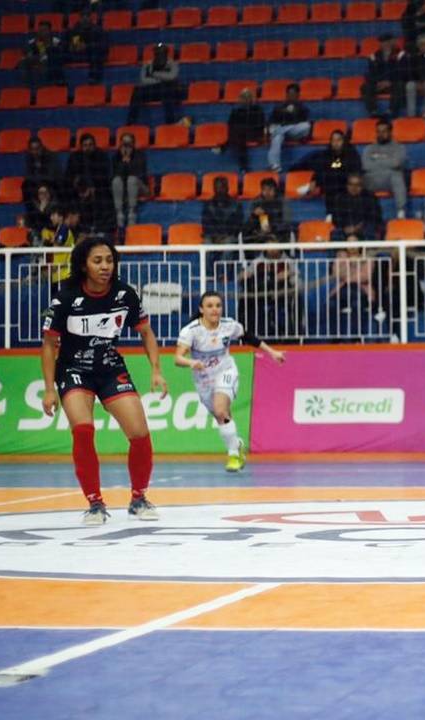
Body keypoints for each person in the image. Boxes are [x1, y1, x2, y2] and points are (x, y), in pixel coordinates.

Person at [41, 236, 167, 525]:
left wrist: (156, 370)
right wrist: (49, 389)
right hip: (74, 370)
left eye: (109, 260)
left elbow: (146, 332)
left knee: (139, 433)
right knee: (83, 430)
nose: (105, 266)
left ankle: (138, 499)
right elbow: (49, 345)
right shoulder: (66, 298)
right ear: (84, 265)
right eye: (97, 261)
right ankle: (95, 504)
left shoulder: (126, 295)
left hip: (110, 367)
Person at [175, 291, 285, 472]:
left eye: (218, 305)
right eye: (210, 306)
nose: (215, 309)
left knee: (220, 408)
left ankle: (233, 455)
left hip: (226, 371)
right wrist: (192, 362)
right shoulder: (191, 331)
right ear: (201, 309)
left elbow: (249, 337)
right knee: (221, 415)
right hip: (204, 381)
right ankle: (236, 444)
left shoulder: (229, 325)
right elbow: (178, 358)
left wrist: (272, 352)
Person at [361, 119, 409, 219]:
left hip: (389, 179)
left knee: (397, 176)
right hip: (372, 179)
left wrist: (377, 162)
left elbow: (396, 163)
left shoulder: (399, 148)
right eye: (378, 131)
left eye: (384, 131)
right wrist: (387, 162)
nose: (381, 134)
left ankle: (401, 211)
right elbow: (365, 165)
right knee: (356, 180)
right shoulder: (369, 148)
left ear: (390, 132)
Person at [127, 44, 184, 126]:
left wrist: (154, 74)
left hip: (167, 90)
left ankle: (170, 122)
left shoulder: (172, 64)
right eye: (158, 52)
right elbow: (144, 80)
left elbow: (172, 76)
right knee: (137, 91)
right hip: (153, 90)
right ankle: (131, 122)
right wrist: (161, 79)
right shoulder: (148, 64)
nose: (160, 54)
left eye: (162, 52)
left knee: (168, 89)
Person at [267, 84, 311, 173]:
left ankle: (279, 131)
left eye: (293, 94)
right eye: (289, 94)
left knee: (306, 126)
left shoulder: (303, 108)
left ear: (298, 95)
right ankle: (275, 165)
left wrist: (290, 114)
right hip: (281, 135)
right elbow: (271, 121)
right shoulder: (278, 107)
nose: (291, 96)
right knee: (277, 138)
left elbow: (303, 121)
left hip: (295, 133)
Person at [328, 173, 384, 241]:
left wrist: (360, 227)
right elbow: (336, 218)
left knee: (370, 232)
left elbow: (376, 217)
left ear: (362, 186)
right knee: (335, 234)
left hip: (364, 230)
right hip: (345, 230)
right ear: (347, 185)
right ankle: (340, 251)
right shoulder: (339, 198)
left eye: (357, 185)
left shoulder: (370, 198)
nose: (354, 187)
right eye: (351, 184)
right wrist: (345, 228)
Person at [110, 132, 149, 229]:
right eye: (124, 143)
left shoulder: (140, 156)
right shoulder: (116, 157)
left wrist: (129, 162)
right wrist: (123, 161)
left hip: (140, 187)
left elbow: (138, 174)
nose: (127, 146)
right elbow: (115, 174)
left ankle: (132, 212)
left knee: (131, 180)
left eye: (129, 143)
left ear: (133, 144)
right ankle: (119, 213)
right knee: (116, 181)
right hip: (123, 188)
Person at [363, 34, 406, 118]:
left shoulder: (401, 55)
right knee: (366, 87)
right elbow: (371, 73)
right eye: (382, 42)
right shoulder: (374, 56)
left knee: (400, 85)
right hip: (379, 84)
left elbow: (403, 72)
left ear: (392, 42)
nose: (385, 44)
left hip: (394, 83)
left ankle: (391, 110)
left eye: (387, 42)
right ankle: (373, 111)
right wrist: (378, 82)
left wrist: (389, 82)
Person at [222, 88, 265, 172]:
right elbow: (231, 125)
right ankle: (244, 166)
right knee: (238, 134)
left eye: (248, 97)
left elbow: (261, 124)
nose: (246, 99)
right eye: (243, 97)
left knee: (239, 133)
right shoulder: (236, 111)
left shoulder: (258, 110)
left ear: (252, 99)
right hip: (240, 135)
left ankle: (226, 145)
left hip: (254, 134)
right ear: (240, 99)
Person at [66, 8, 106, 84]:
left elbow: (103, 46)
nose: (85, 18)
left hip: (94, 55)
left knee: (95, 53)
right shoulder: (75, 29)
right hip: (80, 55)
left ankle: (93, 79)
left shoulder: (97, 29)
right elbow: (75, 43)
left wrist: (87, 46)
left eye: (87, 16)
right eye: (82, 16)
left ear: (90, 17)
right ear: (80, 18)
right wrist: (74, 46)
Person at [20, 23, 66, 89]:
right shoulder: (33, 41)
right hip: (36, 60)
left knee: (44, 63)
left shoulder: (56, 41)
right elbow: (27, 52)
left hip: (50, 62)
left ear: (50, 31)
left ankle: (43, 86)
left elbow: (59, 53)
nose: (42, 32)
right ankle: (24, 86)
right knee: (23, 62)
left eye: (44, 30)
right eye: (40, 30)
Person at [201, 176, 243, 244]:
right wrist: (215, 236)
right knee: (206, 242)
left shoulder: (236, 205)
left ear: (227, 188)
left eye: (222, 187)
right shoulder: (208, 205)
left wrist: (224, 236)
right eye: (217, 187)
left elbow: (237, 225)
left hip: (229, 235)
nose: (219, 190)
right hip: (212, 236)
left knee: (229, 242)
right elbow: (206, 224)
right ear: (214, 189)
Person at [24, 136, 62, 202]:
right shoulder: (29, 157)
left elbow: (51, 176)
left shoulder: (51, 156)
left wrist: (41, 185)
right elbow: (28, 176)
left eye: (37, 149)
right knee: (25, 185)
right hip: (38, 184)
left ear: (42, 147)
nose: (35, 152)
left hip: (52, 184)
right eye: (32, 149)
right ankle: (32, 210)